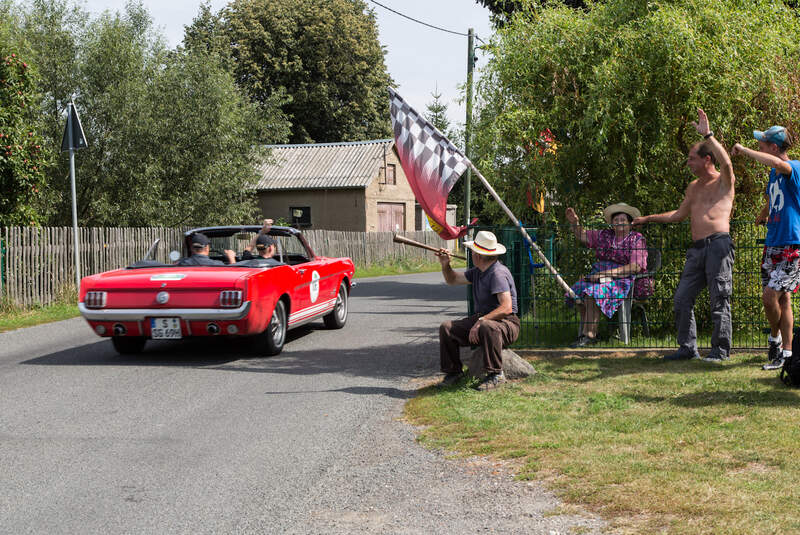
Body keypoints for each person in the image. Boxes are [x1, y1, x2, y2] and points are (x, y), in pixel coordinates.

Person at [633, 109, 735, 362]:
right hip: (697, 249)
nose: (688, 163)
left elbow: (728, 162)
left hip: (719, 246)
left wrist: (708, 135)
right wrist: (648, 219)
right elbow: (678, 215)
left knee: (719, 299)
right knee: (681, 298)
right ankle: (687, 348)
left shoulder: (723, 181)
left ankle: (720, 351)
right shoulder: (693, 187)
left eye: (692, 159)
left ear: (706, 160)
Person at [731, 125, 799, 370]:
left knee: (769, 296)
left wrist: (746, 151)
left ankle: (776, 340)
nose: (759, 145)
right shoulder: (773, 175)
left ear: (774, 147)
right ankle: (786, 352)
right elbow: (773, 198)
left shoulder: (794, 167)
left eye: (763, 143)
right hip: (772, 243)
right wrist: (764, 212)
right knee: (783, 300)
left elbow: (782, 166)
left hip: (791, 244)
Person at [435, 230, 520, 391]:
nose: (471, 254)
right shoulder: (478, 271)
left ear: (478, 256)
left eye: (472, 251)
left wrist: (482, 321)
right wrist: (445, 264)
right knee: (447, 328)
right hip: (486, 320)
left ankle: (496, 375)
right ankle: (454, 372)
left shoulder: (497, 273)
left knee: (488, 326)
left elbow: (507, 307)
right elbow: (452, 280)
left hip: (507, 323)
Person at [565, 203, 651, 347]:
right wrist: (575, 223)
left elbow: (635, 267)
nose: (619, 222)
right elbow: (582, 235)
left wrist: (605, 274)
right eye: (616, 220)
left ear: (630, 223)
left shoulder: (637, 239)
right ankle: (585, 333)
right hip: (598, 276)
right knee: (576, 291)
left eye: (623, 219)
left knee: (594, 292)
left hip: (621, 280)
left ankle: (589, 336)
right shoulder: (604, 235)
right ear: (612, 223)